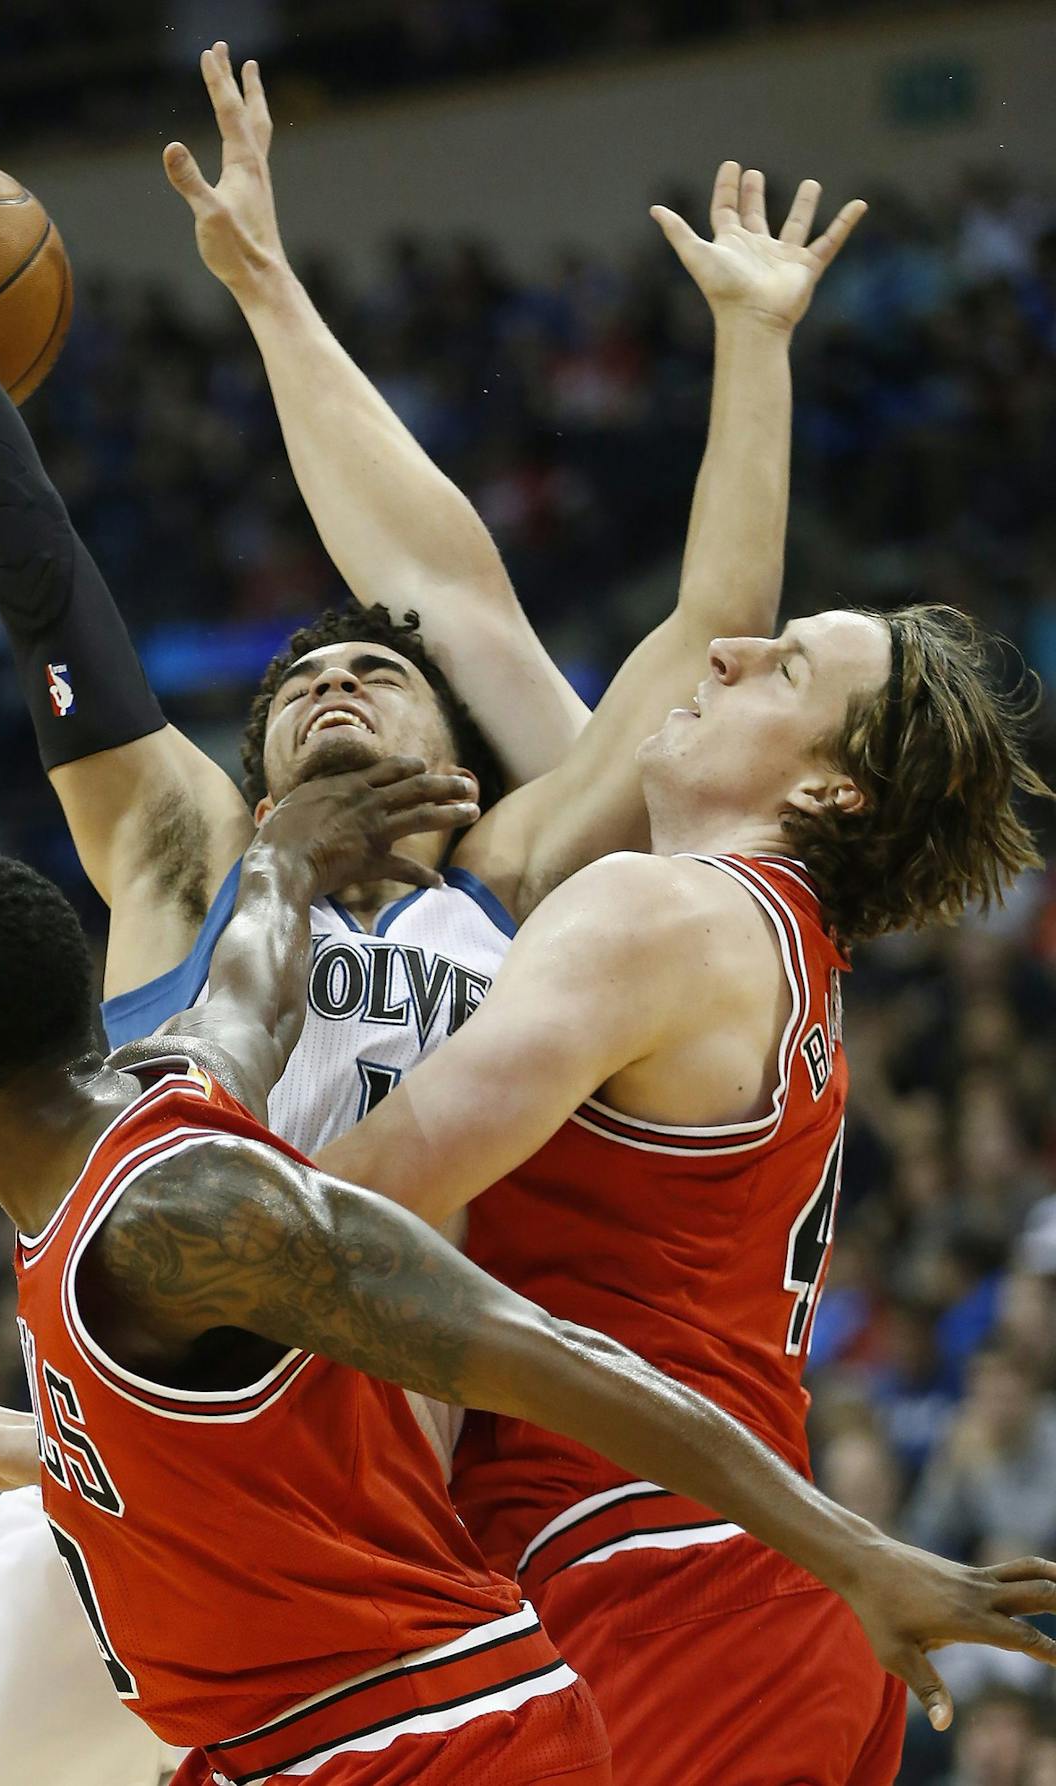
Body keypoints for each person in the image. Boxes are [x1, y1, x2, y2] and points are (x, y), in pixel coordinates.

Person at [0, 56, 860, 1786]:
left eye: (379, 673)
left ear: (448, 751)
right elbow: (38, 574)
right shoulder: (183, 851)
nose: (338, 680)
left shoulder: (527, 886)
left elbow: (709, 620)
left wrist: (751, 343)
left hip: (391, 1547)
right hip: (137, 1494)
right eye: (301, 678)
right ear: (248, 755)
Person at [0, 795, 1056, 1786]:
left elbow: (540, 1351)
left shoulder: (180, 1209)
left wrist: (854, 1556)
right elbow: (249, 993)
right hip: (295, 1747)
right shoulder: (160, 1099)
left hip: (429, 1741)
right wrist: (279, 854)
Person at [311, 599, 1055, 1782]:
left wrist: (96, 1377)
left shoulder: (662, 911)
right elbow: (465, 601)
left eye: (785, 666)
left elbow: (333, 1213)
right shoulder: (777, 955)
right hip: (747, 1585)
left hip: (653, 1579)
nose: (729, 650)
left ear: (829, 792)